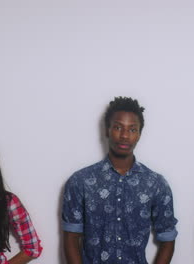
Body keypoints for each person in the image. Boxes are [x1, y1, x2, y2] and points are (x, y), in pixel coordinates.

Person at [61, 97, 178, 264]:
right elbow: (71, 239)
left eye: (132, 129)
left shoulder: (156, 184)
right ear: (107, 130)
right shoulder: (81, 181)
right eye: (118, 127)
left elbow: (168, 239)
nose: (124, 136)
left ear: (139, 134)